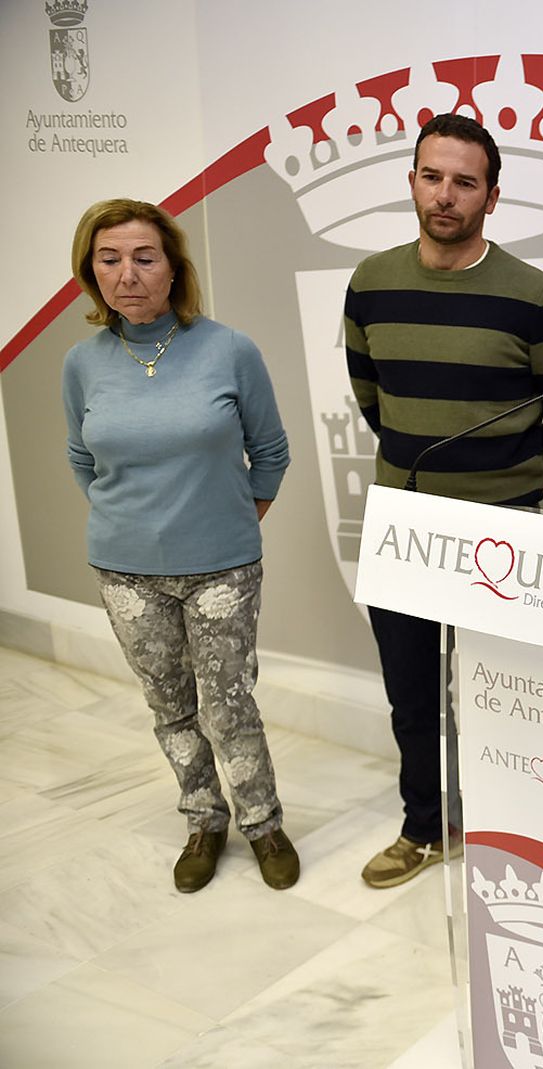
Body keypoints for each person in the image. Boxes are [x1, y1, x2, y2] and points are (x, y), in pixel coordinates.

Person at [345, 113, 543, 888]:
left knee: (504, 698)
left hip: (503, 533)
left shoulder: (533, 296)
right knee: (412, 694)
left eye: (464, 181)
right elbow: (372, 398)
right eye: (431, 176)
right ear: (411, 181)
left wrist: (509, 479)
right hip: (405, 528)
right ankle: (427, 827)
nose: (444, 195)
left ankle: (510, 838)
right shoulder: (371, 283)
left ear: (491, 197)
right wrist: (422, 467)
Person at [62, 198, 296, 893]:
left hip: (222, 564)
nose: (127, 274)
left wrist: (224, 518)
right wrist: (131, 522)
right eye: (110, 259)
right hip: (124, 571)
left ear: (173, 268)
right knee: (169, 704)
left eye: (144, 257)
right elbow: (82, 458)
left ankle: (263, 822)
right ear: (92, 272)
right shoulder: (82, 362)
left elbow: (272, 453)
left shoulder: (229, 349)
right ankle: (204, 819)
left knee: (229, 702)